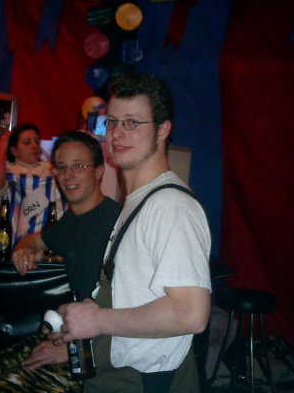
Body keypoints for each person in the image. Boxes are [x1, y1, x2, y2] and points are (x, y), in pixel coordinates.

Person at [49, 73, 212, 393]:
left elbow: (190, 313)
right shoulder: (139, 200)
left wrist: (97, 321)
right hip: (118, 374)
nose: (117, 133)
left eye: (132, 122)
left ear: (162, 130)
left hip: (145, 382)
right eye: (112, 122)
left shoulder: (170, 206)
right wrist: (85, 316)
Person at [0, 131, 121, 392]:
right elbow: (35, 240)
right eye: (61, 167)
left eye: (78, 166)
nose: (68, 176)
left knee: (5, 386)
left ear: (99, 171)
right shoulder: (71, 221)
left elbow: (131, 312)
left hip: (102, 355)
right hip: (75, 335)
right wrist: (23, 248)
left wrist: (74, 350)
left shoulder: (117, 224)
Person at [0, 122, 65, 245]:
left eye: (37, 142)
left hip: (44, 240)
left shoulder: (50, 170)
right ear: (14, 150)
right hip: (12, 239)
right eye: (27, 142)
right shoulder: (5, 169)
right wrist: (1, 150)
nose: (34, 146)